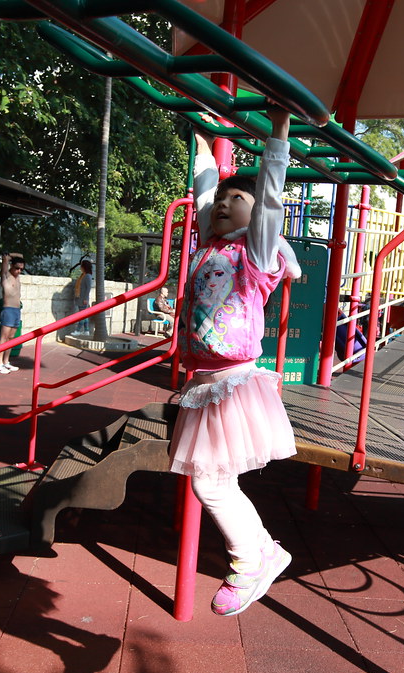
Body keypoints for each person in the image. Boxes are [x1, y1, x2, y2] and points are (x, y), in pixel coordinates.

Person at [171, 108, 301, 617]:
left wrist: (279, 133)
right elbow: (205, 188)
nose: (224, 204)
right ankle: (263, 553)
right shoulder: (209, 244)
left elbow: (270, 198)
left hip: (234, 382)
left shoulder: (256, 253)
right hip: (206, 382)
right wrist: (204, 142)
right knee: (215, 482)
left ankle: (252, 560)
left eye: (236, 199)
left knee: (210, 482)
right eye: (223, 201)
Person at [0, 252, 25, 374]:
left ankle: (6, 361)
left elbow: (21, 256)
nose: (19, 271)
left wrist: (15, 258)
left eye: (21, 269)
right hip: (8, 310)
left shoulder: (18, 277)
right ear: (11, 266)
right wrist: (8, 255)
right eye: (17, 268)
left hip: (17, 310)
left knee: (11, 338)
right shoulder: (6, 275)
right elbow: (5, 258)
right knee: (4, 337)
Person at [73, 259, 93, 334]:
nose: (80, 267)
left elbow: (88, 288)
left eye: (81, 266)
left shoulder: (87, 276)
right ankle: (86, 330)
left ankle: (78, 330)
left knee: (82, 315)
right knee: (84, 315)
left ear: (84, 267)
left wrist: (85, 299)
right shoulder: (83, 275)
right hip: (80, 298)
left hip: (83, 299)